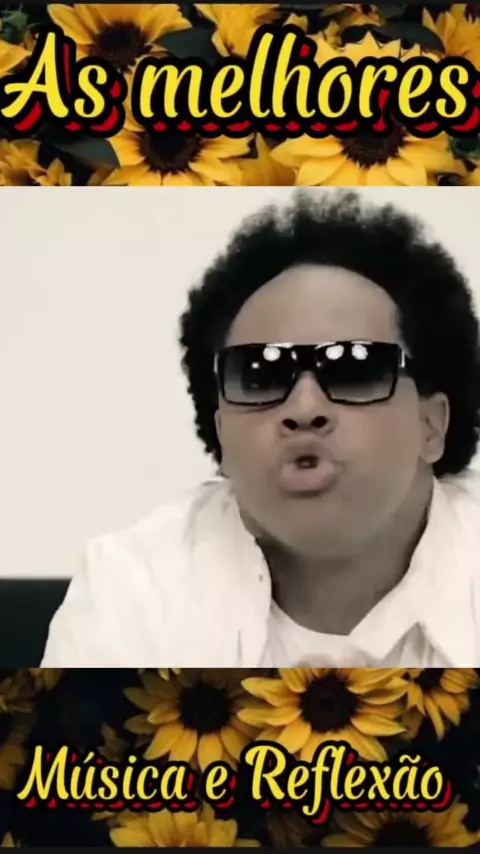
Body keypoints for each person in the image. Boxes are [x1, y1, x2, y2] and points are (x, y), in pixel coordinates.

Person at [42, 190, 480, 667]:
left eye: (354, 369)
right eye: (260, 376)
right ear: (221, 434)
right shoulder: (132, 592)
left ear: (432, 425)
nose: (304, 407)